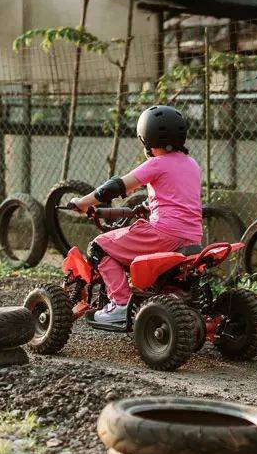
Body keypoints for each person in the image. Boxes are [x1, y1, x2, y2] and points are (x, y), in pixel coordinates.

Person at [68, 105, 203, 324]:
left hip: (164, 234)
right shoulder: (191, 164)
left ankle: (121, 305)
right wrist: (149, 205)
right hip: (193, 237)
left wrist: (83, 202)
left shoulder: (156, 164)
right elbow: (176, 195)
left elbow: (114, 187)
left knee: (99, 247)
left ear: (146, 139)